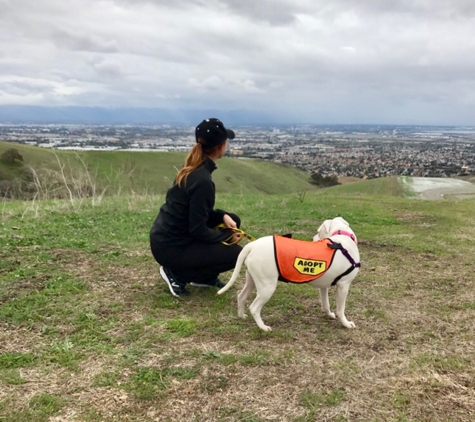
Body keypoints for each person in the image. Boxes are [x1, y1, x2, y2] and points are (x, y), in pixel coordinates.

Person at [150, 118, 243, 297]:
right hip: (171, 247)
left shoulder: (193, 169)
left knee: (233, 220)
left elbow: (198, 212)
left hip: (166, 238)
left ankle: (203, 277)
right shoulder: (202, 181)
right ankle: (176, 274)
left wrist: (222, 215)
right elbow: (198, 230)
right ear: (221, 146)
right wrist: (226, 236)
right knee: (236, 254)